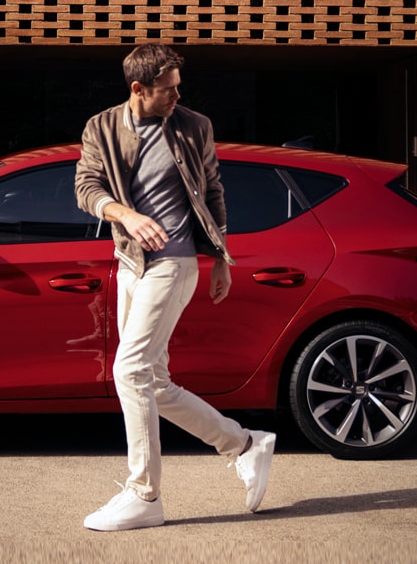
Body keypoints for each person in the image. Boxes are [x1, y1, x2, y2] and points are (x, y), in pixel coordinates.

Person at [73, 44, 277, 530]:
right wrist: (126, 214)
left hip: (176, 262)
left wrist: (222, 259)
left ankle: (144, 494)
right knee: (153, 382)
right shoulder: (101, 127)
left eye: (178, 86)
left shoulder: (193, 125)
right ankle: (245, 444)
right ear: (138, 89)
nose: (176, 95)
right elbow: (87, 187)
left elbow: (211, 191)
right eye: (167, 88)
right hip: (130, 262)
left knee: (130, 371)